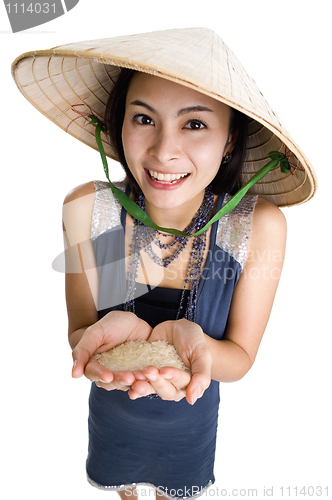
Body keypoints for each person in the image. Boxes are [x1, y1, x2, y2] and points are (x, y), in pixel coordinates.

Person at [12, 28, 317, 500]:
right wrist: (93, 351)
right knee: (124, 488)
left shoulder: (255, 227)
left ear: (231, 138)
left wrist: (199, 355)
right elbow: (79, 330)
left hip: (190, 421)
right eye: (143, 118)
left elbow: (239, 357)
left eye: (194, 124)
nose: (162, 151)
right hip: (114, 411)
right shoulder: (93, 212)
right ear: (118, 125)